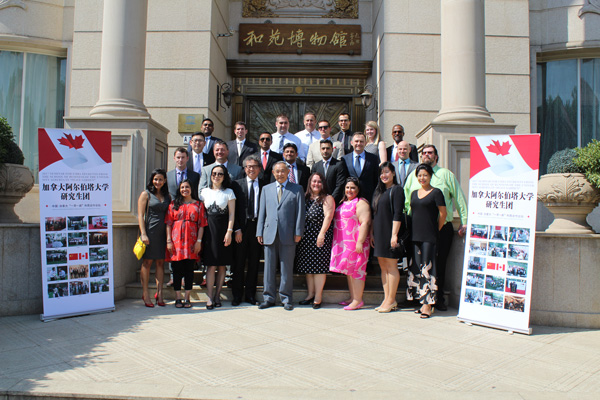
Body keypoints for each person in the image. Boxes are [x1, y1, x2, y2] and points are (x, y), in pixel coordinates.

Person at [404, 144, 468, 311]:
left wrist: (464, 220)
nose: (426, 155)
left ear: (436, 156)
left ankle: (437, 299)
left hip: (440, 227)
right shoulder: (413, 176)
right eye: (424, 153)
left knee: (438, 263)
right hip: (417, 228)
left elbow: (459, 198)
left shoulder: (446, 174)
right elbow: (406, 201)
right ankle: (420, 298)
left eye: (430, 153)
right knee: (418, 264)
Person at [256, 161, 305, 311]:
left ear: (288, 172)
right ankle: (268, 298)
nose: (280, 174)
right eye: (277, 171)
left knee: (286, 267)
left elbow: (300, 213)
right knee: (269, 268)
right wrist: (259, 231)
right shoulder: (266, 189)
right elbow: (262, 212)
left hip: (289, 234)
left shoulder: (297, 189)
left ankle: (286, 298)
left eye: (283, 171)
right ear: (273, 173)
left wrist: (298, 232)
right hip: (269, 233)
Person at [406, 163, 447, 319]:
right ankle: (421, 301)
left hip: (429, 236)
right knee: (416, 268)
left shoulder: (436, 192)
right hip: (415, 236)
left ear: (430, 176)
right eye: (419, 175)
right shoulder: (414, 193)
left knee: (428, 269)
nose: (422, 178)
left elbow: (442, 214)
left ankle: (428, 305)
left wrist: (436, 229)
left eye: (425, 175)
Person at [295, 172, 335, 309]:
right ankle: (310, 294)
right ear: (309, 183)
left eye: (319, 181)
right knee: (308, 268)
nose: (316, 184)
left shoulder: (327, 198)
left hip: (319, 237)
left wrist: (322, 234)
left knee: (318, 268)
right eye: (314, 181)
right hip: (306, 238)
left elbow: (328, 217)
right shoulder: (305, 198)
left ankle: (318, 296)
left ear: (323, 184)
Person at [330, 177, 371, 310]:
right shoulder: (344, 202)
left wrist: (360, 241)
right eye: (347, 187)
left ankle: (358, 300)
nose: (349, 190)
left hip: (356, 242)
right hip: (344, 242)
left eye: (353, 187)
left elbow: (365, 222)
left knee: (357, 270)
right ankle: (353, 297)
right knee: (349, 270)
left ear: (358, 189)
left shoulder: (361, 203)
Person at [165, 179, 207, 308]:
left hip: (192, 241)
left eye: (187, 187)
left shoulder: (199, 205)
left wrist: (199, 242)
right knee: (177, 270)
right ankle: (178, 298)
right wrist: (168, 241)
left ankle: (187, 297)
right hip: (176, 242)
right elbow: (168, 223)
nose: (184, 189)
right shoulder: (173, 204)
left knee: (189, 270)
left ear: (191, 189)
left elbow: (202, 225)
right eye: (182, 187)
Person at [199, 164, 236, 309]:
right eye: (214, 173)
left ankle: (217, 295)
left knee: (222, 266)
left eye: (220, 174)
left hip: (223, 231)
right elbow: (201, 215)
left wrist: (229, 232)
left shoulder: (229, 192)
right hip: (209, 232)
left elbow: (232, 214)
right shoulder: (204, 192)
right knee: (210, 265)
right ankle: (209, 296)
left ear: (224, 176)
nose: (216, 176)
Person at [370, 162, 405, 313]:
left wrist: (394, 235)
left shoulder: (397, 190)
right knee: (383, 267)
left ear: (393, 173)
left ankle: (391, 299)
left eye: (387, 172)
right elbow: (374, 214)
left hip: (390, 233)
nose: (384, 175)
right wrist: (371, 233)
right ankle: (387, 298)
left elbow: (398, 213)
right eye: (381, 173)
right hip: (378, 233)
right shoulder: (378, 191)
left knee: (391, 267)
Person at [231, 154, 263, 306]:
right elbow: (233, 210)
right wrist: (236, 228)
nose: (252, 169)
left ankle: (250, 295)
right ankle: (237, 295)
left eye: (254, 166)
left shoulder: (265, 185)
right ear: (244, 169)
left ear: (259, 169)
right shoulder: (236, 185)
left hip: (257, 227)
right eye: (249, 166)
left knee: (254, 262)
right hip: (241, 229)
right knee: (238, 262)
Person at [137, 169, 171, 308]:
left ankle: (160, 293)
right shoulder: (146, 194)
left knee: (160, 264)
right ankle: (145, 293)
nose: (158, 182)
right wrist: (143, 233)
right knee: (147, 262)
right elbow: (140, 215)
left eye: (161, 179)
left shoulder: (167, 195)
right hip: (150, 232)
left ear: (164, 181)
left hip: (163, 234)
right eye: (155, 179)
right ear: (152, 180)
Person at [342, 132, 379, 203]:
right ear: (351, 143)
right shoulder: (345, 159)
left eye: (361, 141)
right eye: (356, 141)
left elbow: (376, 179)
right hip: (350, 198)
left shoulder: (373, 158)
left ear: (365, 143)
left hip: (368, 197)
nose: (358, 143)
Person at [311, 139, 348, 204]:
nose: (325, 151)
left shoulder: (339, 165)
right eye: (323, 148)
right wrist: (318, 199)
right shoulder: (315, 166)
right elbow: (313, 185)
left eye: (328, 148)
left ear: (332, 150)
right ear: (320, 150)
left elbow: (340, 185)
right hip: (319, 201)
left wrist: (331, 199)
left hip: (335, 201)